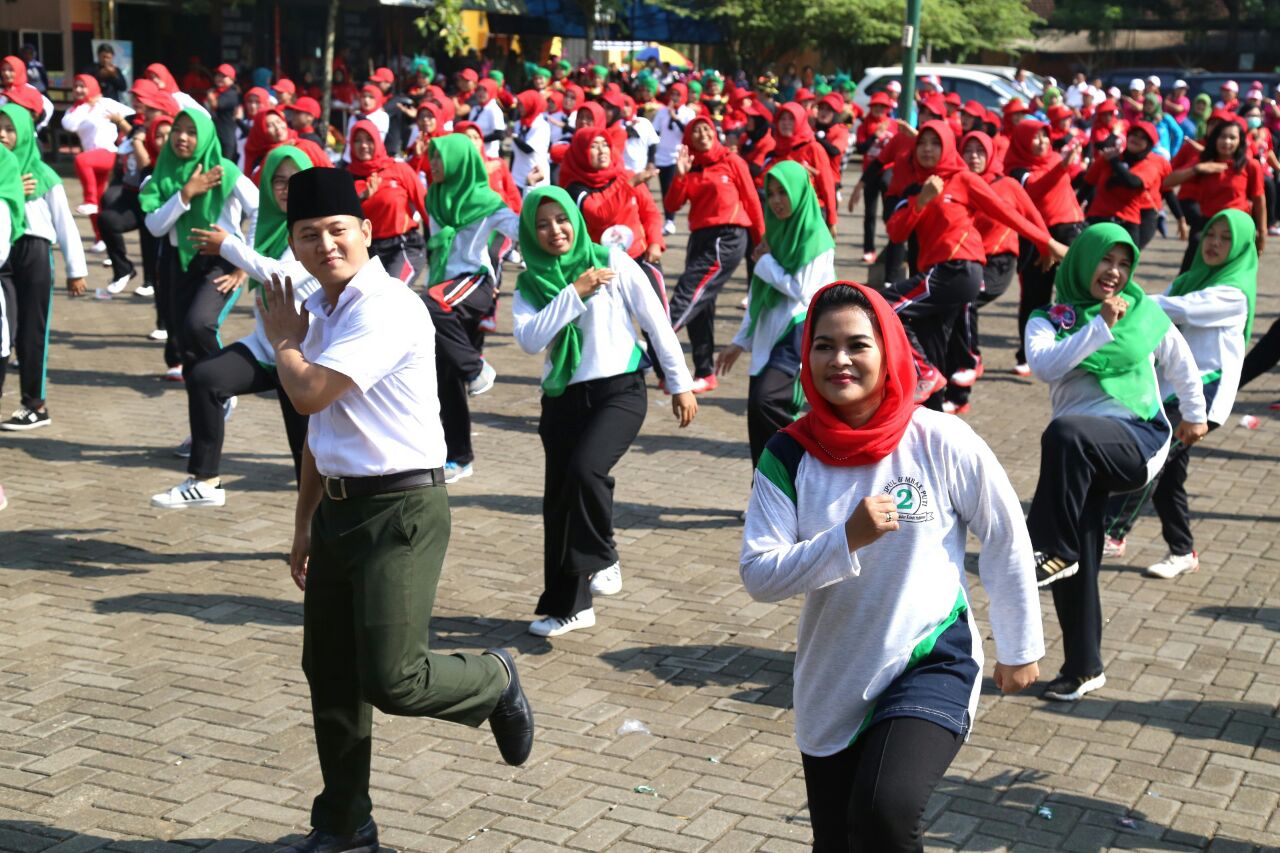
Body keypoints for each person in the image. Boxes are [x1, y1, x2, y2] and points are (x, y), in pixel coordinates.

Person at [260, 167, 533, 852]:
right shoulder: (321, 309)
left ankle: (493, 678)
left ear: (368, 232)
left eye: (337, 230)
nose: (326, 245)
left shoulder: (382, 306)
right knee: (329, 673)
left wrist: (284, 342)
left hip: (402, 508)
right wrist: (302, 526)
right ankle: (345, 824)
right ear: (294, 245)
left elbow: (310, 393)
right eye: (308, 234)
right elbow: (321, 437)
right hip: (340, 510)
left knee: (394, 677)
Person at [740, 281, 1042, 851]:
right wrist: (844, 539)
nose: (840, 360)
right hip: (836, 673)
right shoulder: (787, 454)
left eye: (858, 344)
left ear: (889, 350)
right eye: (823, 346)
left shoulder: (940, 439)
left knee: (885, 809)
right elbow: (759, 573)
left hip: (931, 656)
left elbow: (1004, 534)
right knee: (840, 840)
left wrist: (1019, 644)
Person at [1024, 224, 1206, 701]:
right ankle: (1083, 668)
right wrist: (1097, 325)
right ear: (1083, 261)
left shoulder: (1143, 312)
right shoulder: (1049, 318)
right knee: (1071, 561)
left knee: (1063, 437)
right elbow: (1045, 366)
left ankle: (1049, 547)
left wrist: (1196, 415)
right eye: (1106, 261)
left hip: (1138, 440)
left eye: (1125, 264)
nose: (1115, 272)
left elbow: (1181, 363)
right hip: (1081, 457)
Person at [512, 186, 697, 637]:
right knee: (559, 504)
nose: (554, 230)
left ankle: (605, 554)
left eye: (561, 219)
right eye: (541, 223)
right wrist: (574, 291)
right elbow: (530, 339)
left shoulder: (611, 261)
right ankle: (569, 606)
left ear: (575, 219)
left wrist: (680, 382)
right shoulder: (531, 281)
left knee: (585, 470)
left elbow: (654, 320)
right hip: (562, 399)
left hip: (619, 390)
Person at [149, 146, 317, 509]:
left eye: (295, 181)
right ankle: (205, 480)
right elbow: (258, 259)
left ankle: (321, 546)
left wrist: (229, 247)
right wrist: (239, 253)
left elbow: (282, 273)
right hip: (268, 347)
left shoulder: (317, 231)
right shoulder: (270, 225)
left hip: (309, 361)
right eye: (278, 181)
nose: (286, 189)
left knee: (310, 465)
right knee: (206, 377)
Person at [1102, 209, 1255, 572]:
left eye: (1225, 238)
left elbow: (1173, 309)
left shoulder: (1233, 293)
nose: (1214, 243)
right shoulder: (1191, 278)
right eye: (1211, 234)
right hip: (1173, 387)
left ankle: (1109, 532)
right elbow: (1164, 306)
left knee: (1149, 457)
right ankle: (1183, 551)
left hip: (1203, 395)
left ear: (1242, 247)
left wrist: (1121, 293)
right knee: (1169, 476)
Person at [884, 121, 1062, 409]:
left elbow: (1007, 212)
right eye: (922, 144)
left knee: (880, 306)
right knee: (934, 344)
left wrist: (1046, 242)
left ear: (946, 148)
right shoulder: (916, 187)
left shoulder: (964, 179)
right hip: (936, 275)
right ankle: (937, 407)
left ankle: (942, 369)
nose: (928, 149)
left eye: (935, 143)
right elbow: (896, 233)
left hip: (958, 269)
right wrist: (921, 201)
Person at [716, 161, 833, 466]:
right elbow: (758, 294)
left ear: (799, 192)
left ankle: (796, 482)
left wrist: (766, 263)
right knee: (757, 416)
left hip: (799, 333)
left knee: (770, 403)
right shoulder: (775, 232)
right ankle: (765, 497)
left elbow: (802, 290)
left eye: (784, 192)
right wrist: (740, 341)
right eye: (771, 194)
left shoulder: (815, 237)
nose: (778, 200)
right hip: (770, 334)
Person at [423, 134, 518, 482]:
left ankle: (477, 367)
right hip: (443, 286)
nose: (433, 165)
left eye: (439, 158)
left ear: (460, 161)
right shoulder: (435, 197)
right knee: (445, 377)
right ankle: (459, 457)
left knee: (431, 305)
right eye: (432, 158)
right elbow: (435, 246)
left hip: (474, 283)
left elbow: (518, 228)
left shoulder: (487, 201)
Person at [142, 109, 257, 384]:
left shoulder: (224, 170)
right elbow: (155, 226)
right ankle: (207, 409)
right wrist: (186, 194)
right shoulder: (161, 174)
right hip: (178, 260)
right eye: (178, 130)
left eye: (192, 132)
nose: (182, 137)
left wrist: (244, 264)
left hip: (221, 260)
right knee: (184, 338)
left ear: (205, 136)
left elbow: (260, 208)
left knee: (199, 323)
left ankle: (225, 381)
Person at [942, 130, 1048, 413]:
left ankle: (971, 359)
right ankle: (957, 394)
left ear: (990, 154)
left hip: (1000, 262)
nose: (973, 156)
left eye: (979, 150)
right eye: (968, 150)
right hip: (967, 261)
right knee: (950, 312)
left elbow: (1033, 218)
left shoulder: (1008, 184)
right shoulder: (958, 184)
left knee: (966, 300)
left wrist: (1048, 247)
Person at [0, 103, 87, 431]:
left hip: (34, 252)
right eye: (0, 127)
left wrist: (76, 269)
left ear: (24, 133)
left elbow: (66, 224)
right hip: (3, 254)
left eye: (10, 129)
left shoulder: (44, 175)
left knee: (32, 332)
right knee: (5, 330)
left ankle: (35, 404)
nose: (3, 134)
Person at [664, 116, 765, 393]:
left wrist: (762, 241)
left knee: (688, 291)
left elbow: (752, 200)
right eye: (695, 130)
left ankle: (655, 341)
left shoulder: (732, 161)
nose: (701, 133)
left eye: (706, 128)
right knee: (701, 304)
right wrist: (681, 175)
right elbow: (672, 204)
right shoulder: (691, 167)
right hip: (699, 238)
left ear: (714, 132)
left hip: (728, 236)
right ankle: (705, 372)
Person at [1003, 119, 1086, 377]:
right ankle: (1027, 354)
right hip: (1036, 238)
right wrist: (1063, 165)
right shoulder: (1017, 170)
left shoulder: (1053, 160)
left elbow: (1068, 181)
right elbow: (1037, 190)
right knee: (1035, 297)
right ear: (1022, 142)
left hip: (1070, 232)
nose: (1043, 142)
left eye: (1045, 136)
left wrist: (1076, 164)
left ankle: (1070, 349)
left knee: (1072, 293)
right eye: (1036, 138)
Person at [1165, 117, 1267, 272]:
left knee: (1229, 278)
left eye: (1232, 138)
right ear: (1214, 139)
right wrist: (1198, 169)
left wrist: (1262, 232)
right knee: (1188, 277)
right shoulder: (1205, 161)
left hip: (1237, 227)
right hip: (1208, 225)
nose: (1227, 142)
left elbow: (1259, 199)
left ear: (1240, 141)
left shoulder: (1250, 165)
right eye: (1222, 137)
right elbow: (1167, 182)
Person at [347, 120, 427, 285]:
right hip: (365, 251)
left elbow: (426, 206)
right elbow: (338, 217)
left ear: (377, 140)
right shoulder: (345, 177)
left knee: (392, 293)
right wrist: (361, 198)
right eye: (358, 140)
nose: (363, 145)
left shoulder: (398, 169)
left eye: (369, 139)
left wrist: (440, 242)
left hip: (402, 246)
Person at [99, 113, 169, 299]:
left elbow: (147, 162)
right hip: (131, 195)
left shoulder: (153, 137)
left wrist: (137, 139)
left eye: (148, 106)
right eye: (137, 99)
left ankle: (150, 281)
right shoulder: (136, 125)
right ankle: (124, 269)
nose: (140, 105)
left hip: (154, 204)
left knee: (151, 239)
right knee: (106, 219)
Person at [60, 74, 133, 246]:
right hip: (93, 158)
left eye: (82, 86)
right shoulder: (74, 111)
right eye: (76, 86)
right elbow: (69, 125)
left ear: (92, 87)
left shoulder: (105, 103)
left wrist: (122, 127)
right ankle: (101, 238)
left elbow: (131, 113)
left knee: (81, 161)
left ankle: (91, 201)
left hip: (109, 153)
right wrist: (86, 106)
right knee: (98, 198)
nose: (78, 90)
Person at [770, 102, 838, 233]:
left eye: (791, 119)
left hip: (811, 214)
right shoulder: (775, 151)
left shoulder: (813, 148)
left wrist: (832, 220)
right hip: (783, 215)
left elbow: (827, 186)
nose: (786, 123)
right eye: (782, 119)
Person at [653, 83, 695, 235]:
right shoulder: (662, 112)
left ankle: (672, 219)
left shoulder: (688, 113)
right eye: (673, 94)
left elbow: (688, 133)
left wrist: (675, 119)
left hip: (677, 157)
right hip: (662, 156)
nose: (675, 98)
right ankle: (669, 220)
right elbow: (655, 131)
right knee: (665, 189)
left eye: (678, 94)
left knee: (675, 188)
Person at [510, 90, 551, 193]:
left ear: (530, 104)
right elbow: (513, 152)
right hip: (517, 176)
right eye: (518, 104)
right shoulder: (518, 124)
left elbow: (528, 149)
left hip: (536, 176)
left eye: (521, 104)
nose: (518, 107)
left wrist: (513, 136)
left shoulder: (542, 125)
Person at [207, 64, 241, 162]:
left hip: (227, 137)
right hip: (217, 135)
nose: (219, 78)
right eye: (218, 75)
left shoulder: (231, 93)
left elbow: (215, 104)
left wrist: (210, 96)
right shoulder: (217, 92)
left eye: (223, 76)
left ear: (232, 79)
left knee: (225, 166)